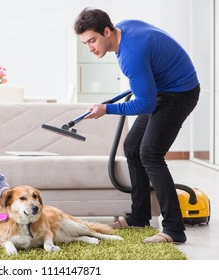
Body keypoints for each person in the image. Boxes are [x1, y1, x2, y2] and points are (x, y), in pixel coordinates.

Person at [74, 8, 200, 243]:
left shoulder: (130, 55)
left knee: (150, 153)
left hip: (180, 92)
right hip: (164, 89)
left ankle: (174, 228)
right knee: (132, 146)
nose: (90, 47)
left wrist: (107, 109)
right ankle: (140, 217)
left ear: (107, 31)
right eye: (85, 43)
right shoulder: (125, 27)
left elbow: (146, 104)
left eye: (92, 40)